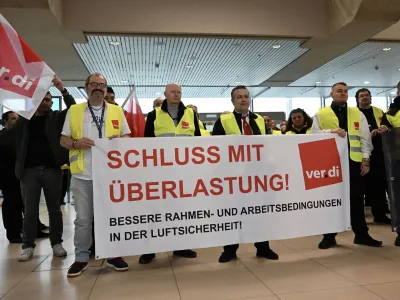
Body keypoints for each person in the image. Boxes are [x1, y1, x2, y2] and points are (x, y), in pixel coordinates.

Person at [61, 73, 131, 277]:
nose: (98, 88)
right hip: (83, 174)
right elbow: (63, 139)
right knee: (83, 219)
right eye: (94, 84)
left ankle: (113, 255)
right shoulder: (75, 111)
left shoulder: (117, 111)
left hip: (110, 175)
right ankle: (81, 259)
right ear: (86, 87)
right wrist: (75, 143)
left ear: (106, 88)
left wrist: (120, 140)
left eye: (102, 85)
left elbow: (128, 136)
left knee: (112, 216)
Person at [212, 85, 279, 263]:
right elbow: (216, 148)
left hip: (258, 175)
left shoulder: (258, 120)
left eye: (246, 96)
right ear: (232, 101)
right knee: (233, 212)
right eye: (239, 97)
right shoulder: (224, 120)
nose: (243, 99)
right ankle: (230, 250)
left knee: (260, 212)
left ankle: (263, 247)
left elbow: (266, 145)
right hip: (234, 176)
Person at [311, 82, 382, 249]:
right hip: (330, 163)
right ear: (331, 94)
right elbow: (313, 135)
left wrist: (366, 160)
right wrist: (330, 132)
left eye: (345, 91)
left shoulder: (356, 113)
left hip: (354, 162)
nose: (342, 93)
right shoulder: (322, 113)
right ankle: (329, 236)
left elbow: (365, 138)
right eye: (339, 91)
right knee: (331, 199)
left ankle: (361, 234)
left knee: (357, 199)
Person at [141, 82, 200, 264]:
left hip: (184, 173)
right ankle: (150, 249)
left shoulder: (191, 114)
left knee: (180, 211)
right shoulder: (153, 115)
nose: (177, 94)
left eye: (179, 92)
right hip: (160, 172)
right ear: (165, 94)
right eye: (173, 92)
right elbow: (146, 145)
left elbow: (198, 142)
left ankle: (180, 246)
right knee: (155, 211)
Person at [0, 112, 50, 243]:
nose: (16, 121)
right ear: (5, 122)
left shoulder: (22, 136)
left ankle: (35, 230)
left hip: (24, 175)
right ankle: (14, 234)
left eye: (17, 118)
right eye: (13, 119)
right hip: (8, 178)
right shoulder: (3, 137)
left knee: (29, 204)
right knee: (12, 205)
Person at [356, 88, 390, 224]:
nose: (364, 98)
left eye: (367, 95)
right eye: (361, 96)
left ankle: (380, 215)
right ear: (357, 99)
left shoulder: (379, 111)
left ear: (370, 97)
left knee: (378, 185)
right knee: (360, 187)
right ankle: (358, 218)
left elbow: (387, 125)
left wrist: (384, 129)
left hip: (378, 153)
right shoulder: (353, 113)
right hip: (359, 154)